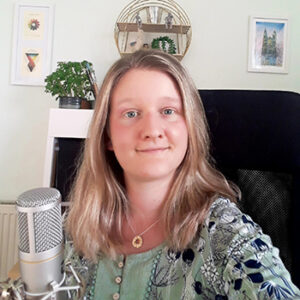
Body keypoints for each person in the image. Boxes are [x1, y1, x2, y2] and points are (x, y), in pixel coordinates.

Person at [65, 49, 300, 299]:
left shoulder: (225, 235)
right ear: (107, 135)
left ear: (189, 127)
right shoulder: (76, 225)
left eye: (168, 111)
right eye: (131, 113)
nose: (152, 130)